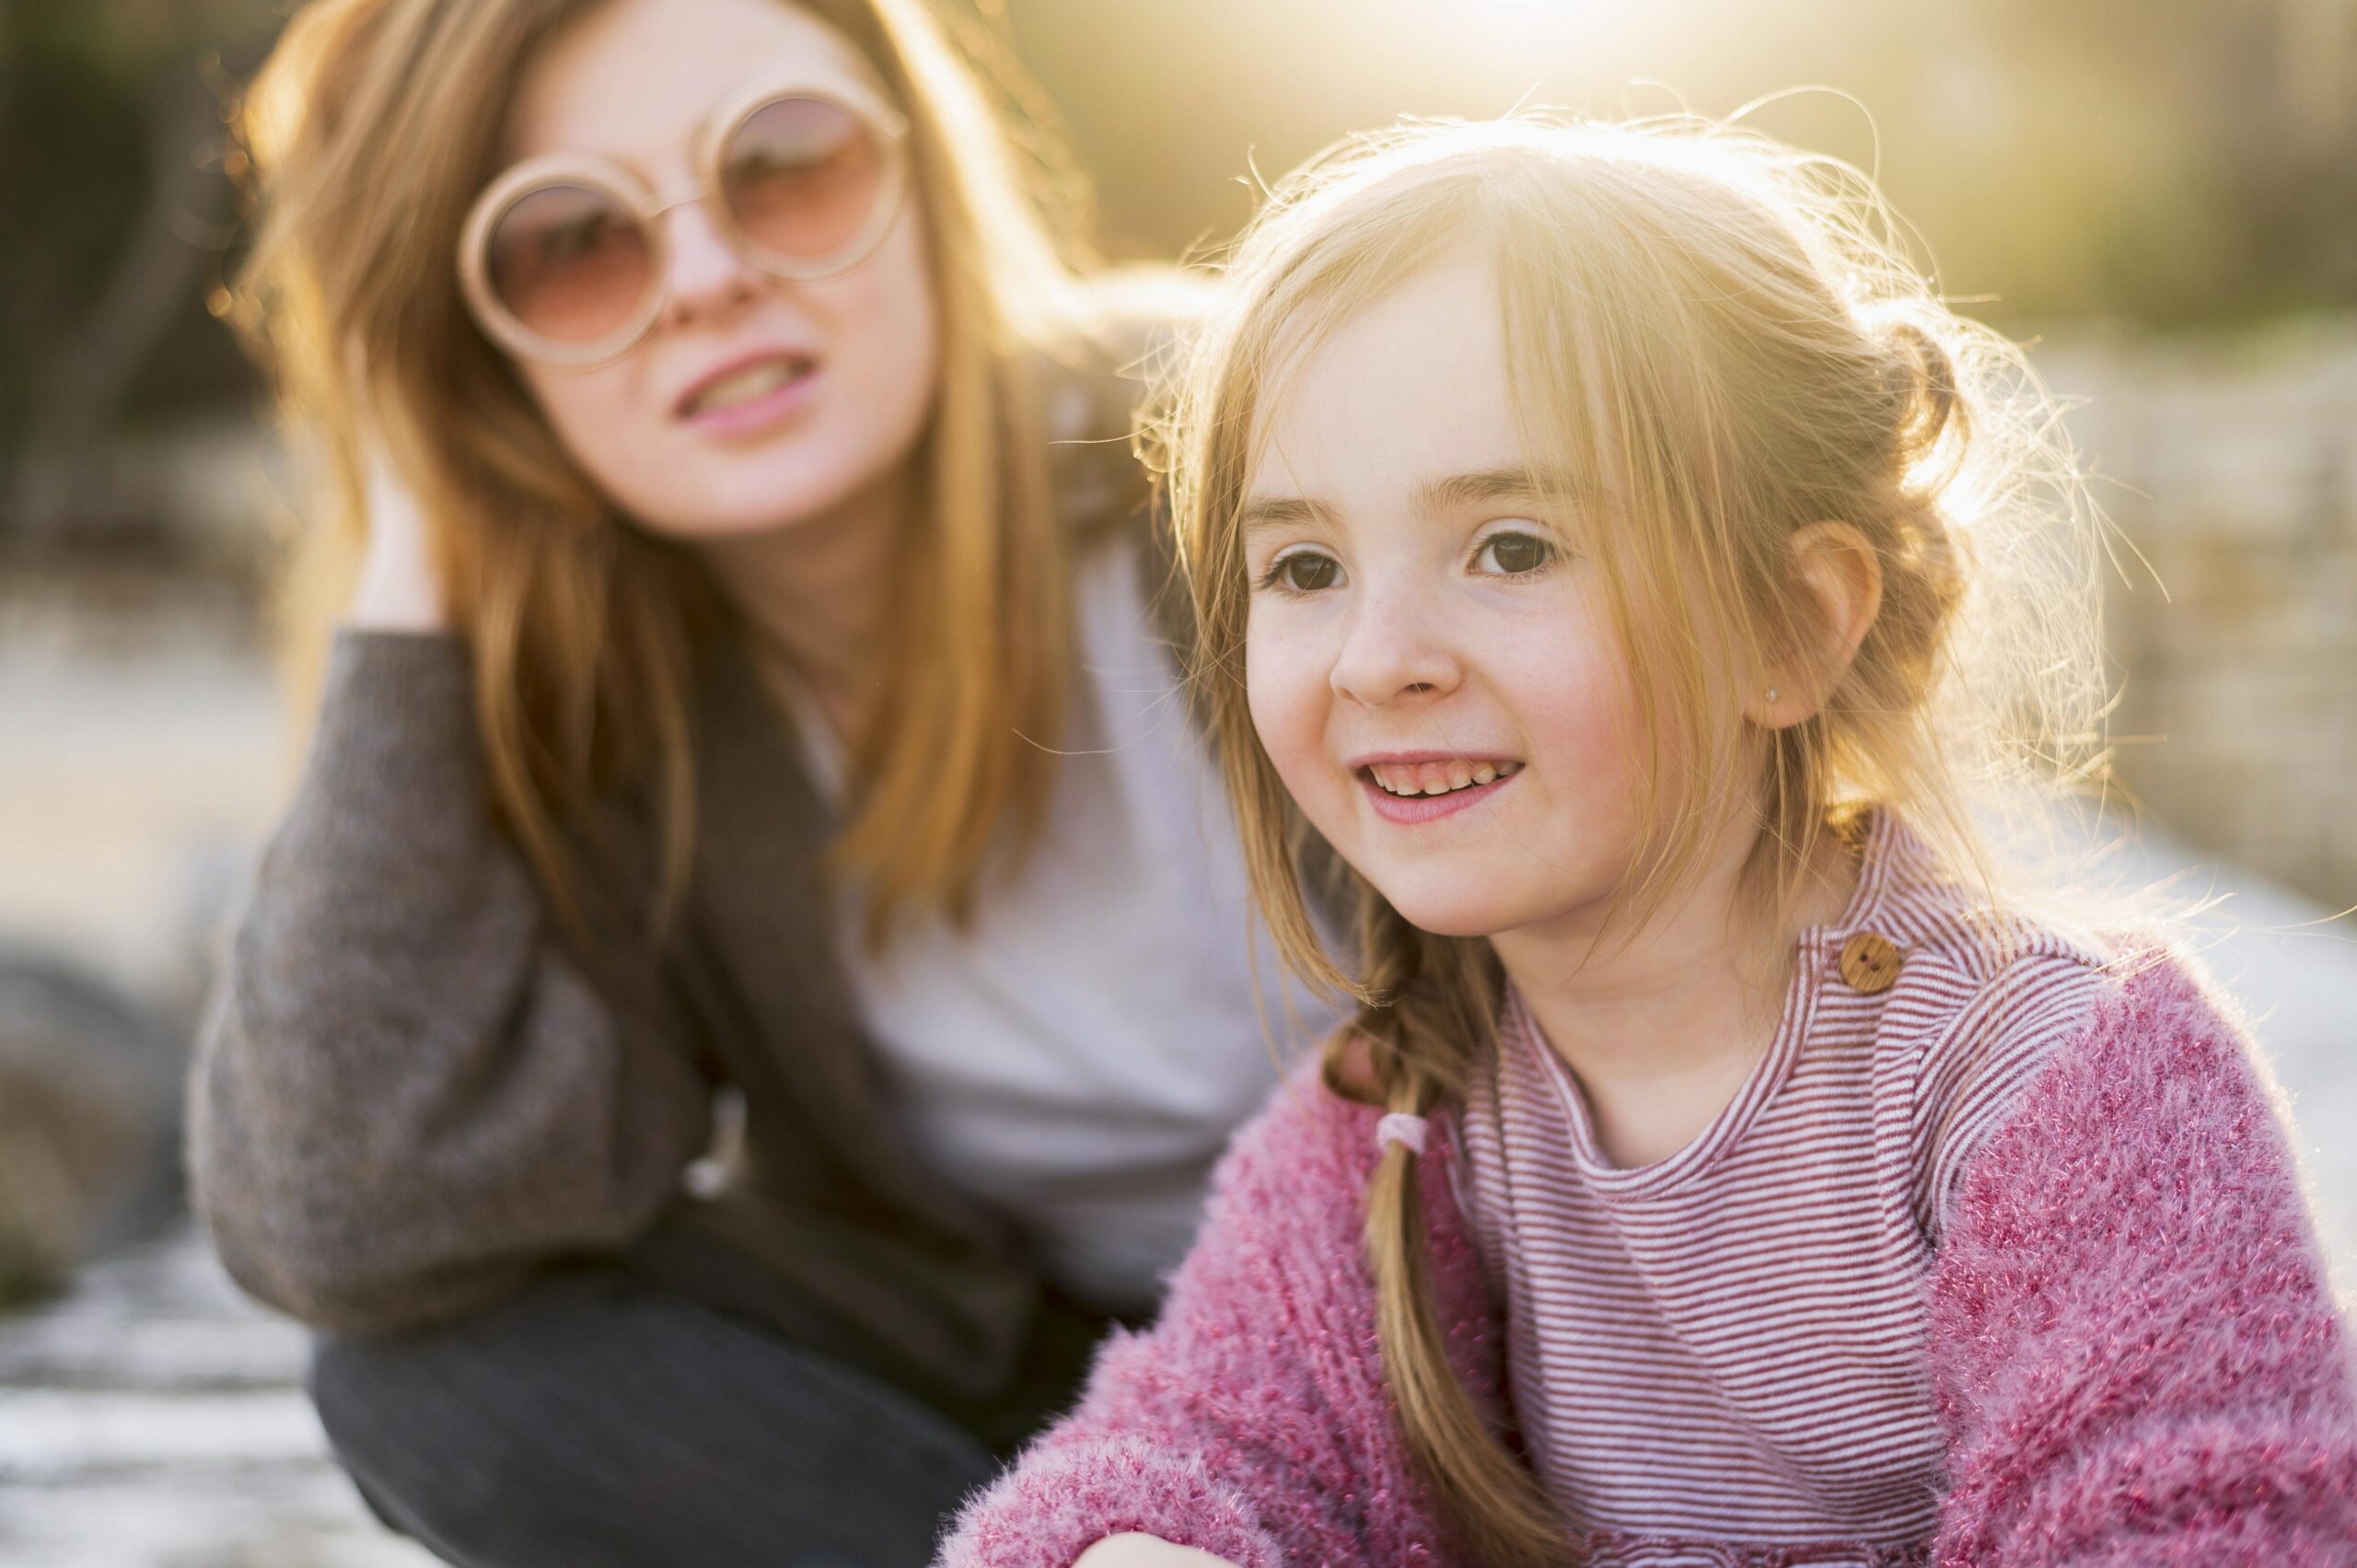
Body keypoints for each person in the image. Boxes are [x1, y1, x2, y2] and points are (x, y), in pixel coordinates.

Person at [938, 116, 2357, 1568]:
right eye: (1305, 567)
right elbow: (1186, 1453)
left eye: (1512, 548)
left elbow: (2206, 1520)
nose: (1377, 658)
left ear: (1790, 626)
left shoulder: (2061, 1086)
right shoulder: (1387, 1129)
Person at [187, 2, 1325, 1564]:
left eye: (783, 164)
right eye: (571, 243)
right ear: (477, 352)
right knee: (425, 1376)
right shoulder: (607, 701)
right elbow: (339, 1213)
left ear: (925, 175)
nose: (709, 277)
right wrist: (419, 544)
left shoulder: (1239, 438)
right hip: (1043, 1392)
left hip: (1466, 1317)